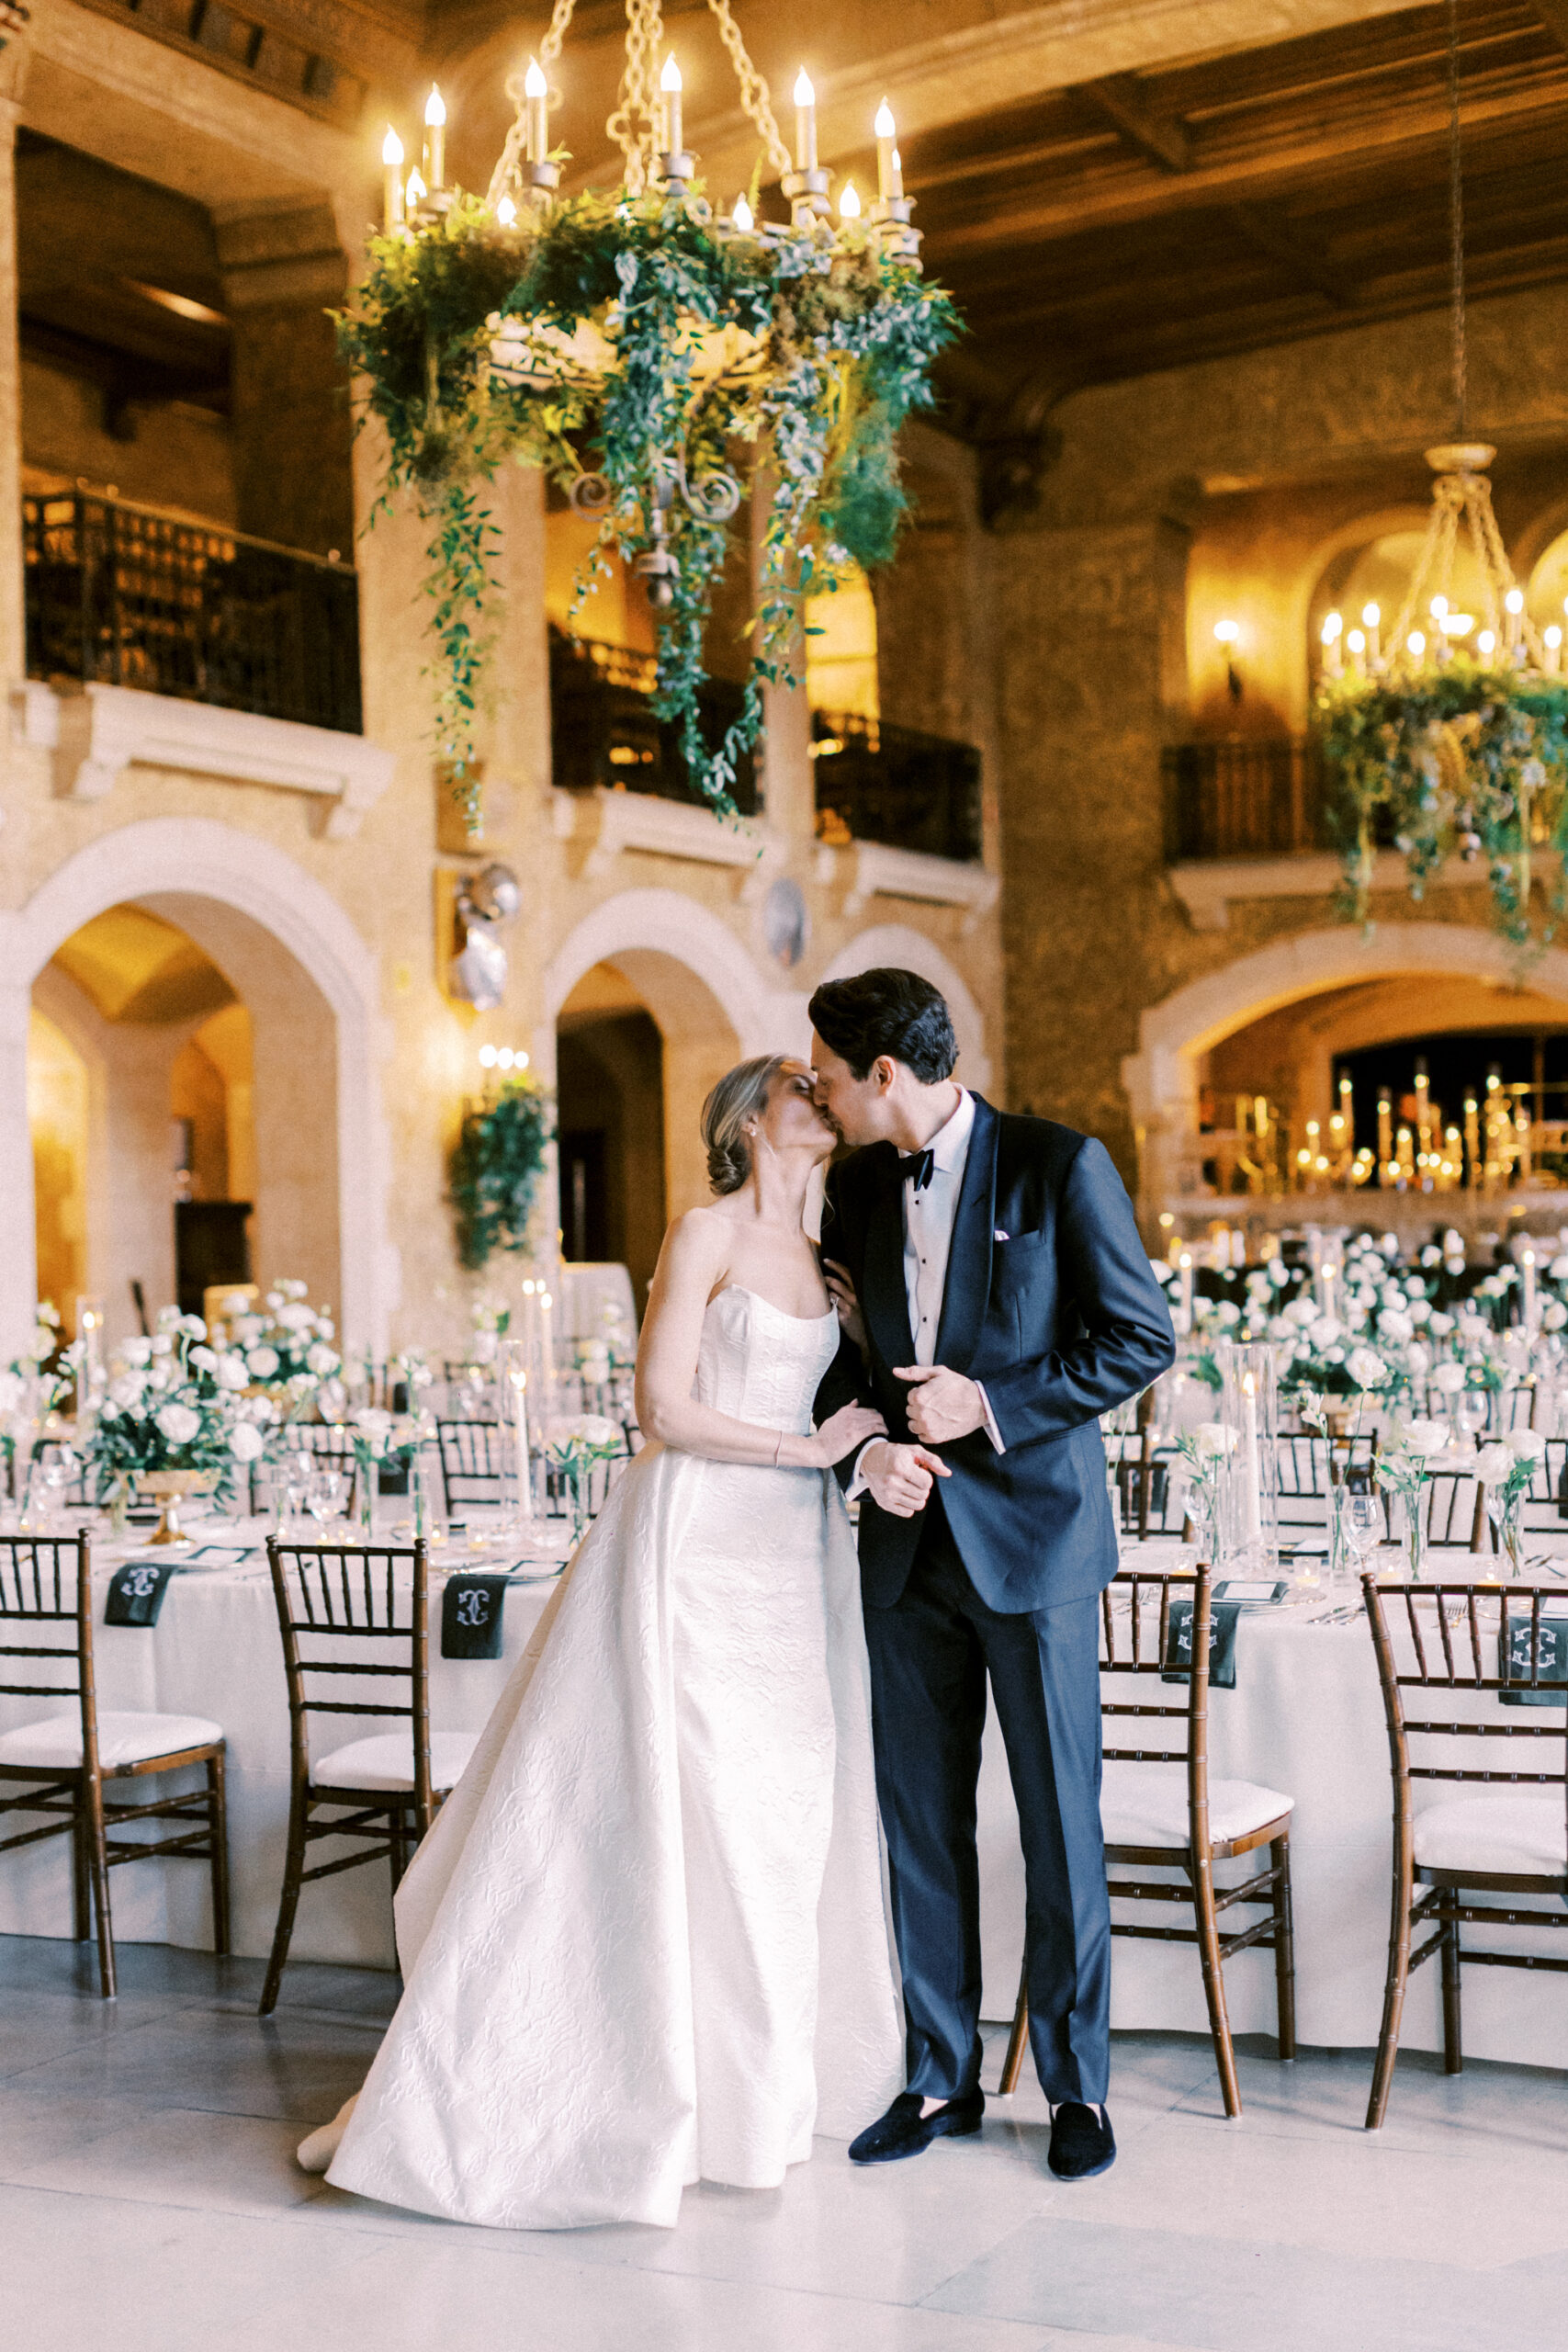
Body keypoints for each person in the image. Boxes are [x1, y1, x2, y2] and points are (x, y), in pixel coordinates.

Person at [305, 1056, 901, 2230]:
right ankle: (638, 2094)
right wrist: (810, 1452)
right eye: (794, 1079)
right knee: (685, 1809)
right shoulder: (705, 1230)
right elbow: (662, 1408)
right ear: (747, 1117)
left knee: (782, 1816)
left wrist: (860, 1447)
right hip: (694, 1543)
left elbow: (851, 1401)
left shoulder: (835, 1252)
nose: (817, 1088)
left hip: (793, 1564)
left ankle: (756, 2100)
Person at [809, 968, 1175, 2182]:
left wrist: (990, 1406)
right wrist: (868, 1450)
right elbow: (837, 1365)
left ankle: (1075, 2090)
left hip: (1034, 1546)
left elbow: (1138, 1336)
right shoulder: (850, 1185)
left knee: (1057, 1823)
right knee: (919, 1818)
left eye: (825, 1071)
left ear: (880, 1074)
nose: (815, 1090)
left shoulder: (1055, 1164)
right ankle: (935, 2077)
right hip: (905, 1549)